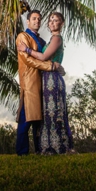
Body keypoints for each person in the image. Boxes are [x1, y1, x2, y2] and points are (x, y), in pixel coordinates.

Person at [18, 11, 75, 154]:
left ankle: (42, 149)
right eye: (34, 18)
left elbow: (46, 57)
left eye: (39, 19)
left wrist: (57, 66)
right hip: (31, 82)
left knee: (43, 118)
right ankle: (22, 152)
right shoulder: (22, 37)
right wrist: (51, 66)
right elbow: (28, 59)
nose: (37, 21)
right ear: (28, 21)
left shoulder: (44, 41)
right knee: (26, 119)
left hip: (45, 82)